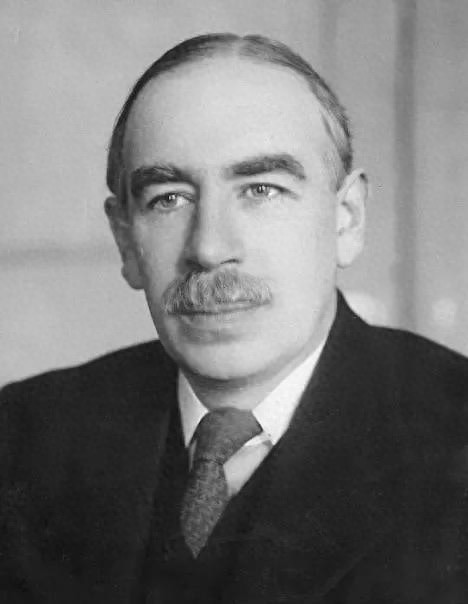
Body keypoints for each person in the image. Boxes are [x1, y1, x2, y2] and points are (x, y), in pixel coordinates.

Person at [1, 33, 468, 604]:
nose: (209, 247)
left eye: (261, 189)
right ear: (125, 240)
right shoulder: (20, 440)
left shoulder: (454, 437)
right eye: (169, 198)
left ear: (346, 219)